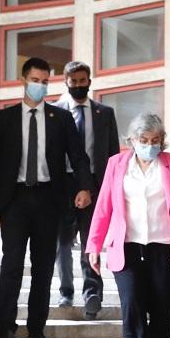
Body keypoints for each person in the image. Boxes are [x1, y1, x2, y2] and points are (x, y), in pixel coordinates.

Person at [0, 57, 92, 338]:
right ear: (23, 80)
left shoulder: (61, 119)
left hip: (48, 200)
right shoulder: (5, 118)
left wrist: (84, 188)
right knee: (13, 264)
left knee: (43, 267)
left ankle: (36, 330)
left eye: (44, 81)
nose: (40, 86)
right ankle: (5, 329)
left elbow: (78, 157)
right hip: (14, 200)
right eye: (35, 80)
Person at [85, 113, 170, 338]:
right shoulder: (116, 165)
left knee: (162, 309)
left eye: (155, 140)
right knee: (132, 307)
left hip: (166, 246)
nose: (150, 145)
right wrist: (94, 245)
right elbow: (104, 206)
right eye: (143, 140)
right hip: (127, 246)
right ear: (131, 140)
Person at [55, 61, 120, 320]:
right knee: (62, 242)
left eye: (83, 81)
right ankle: (66, 290)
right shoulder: (55, 112)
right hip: (63, 184)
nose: (79, 85)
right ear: (66, 83)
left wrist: (112, 188)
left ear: (89, 81)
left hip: (96, 184)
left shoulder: (105, 113)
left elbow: (113, 153)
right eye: (74, 82)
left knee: (91, 240)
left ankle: (93, 293)